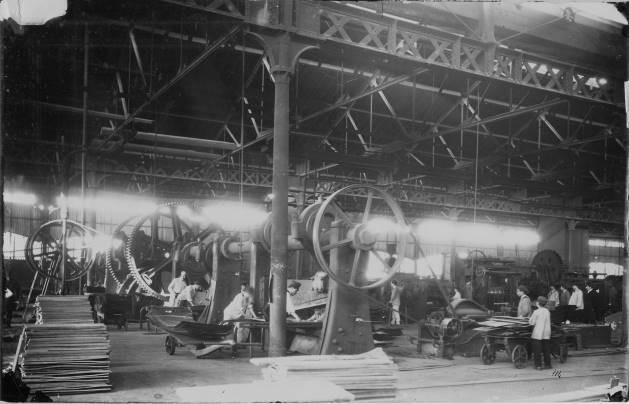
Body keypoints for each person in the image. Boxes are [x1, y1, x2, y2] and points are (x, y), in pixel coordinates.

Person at [529, 296, 552, 370]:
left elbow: (531, 322)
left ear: (538, 303)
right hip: (546, 333)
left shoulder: (536, 312)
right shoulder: (547, 311)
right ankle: (548, 365)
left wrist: (530, 319)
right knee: (546, 349)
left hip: (538, 333)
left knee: (537, 350)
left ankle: (538, 365)